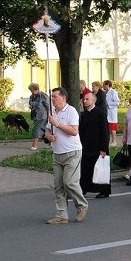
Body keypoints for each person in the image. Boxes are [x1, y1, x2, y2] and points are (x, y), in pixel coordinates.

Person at [44, 87, 88, 224]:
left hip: (72, 153)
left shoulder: (71, 111)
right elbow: (47, 130)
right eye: (52, 97)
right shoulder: (52, 113)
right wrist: (48, 136)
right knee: (58, 185)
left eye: (55, 96)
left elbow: (74, 131)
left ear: (63, 97)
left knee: (69, 182)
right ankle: (61, 214)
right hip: (57, 153)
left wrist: (56, 123)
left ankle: (82, 205)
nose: (52, 99)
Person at [79, 91, 111, 199]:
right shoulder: (83, 114)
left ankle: (104, 191)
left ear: (94, 100)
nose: (84, 100)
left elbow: (105, 132)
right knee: (85, 169)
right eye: (84, 99)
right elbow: (81, 131)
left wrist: (103, 148)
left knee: (100, 169)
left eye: (87, 99)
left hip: (98, 147)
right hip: (86, 146)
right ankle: (84, 189)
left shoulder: (100, 113)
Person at [28, 83, 50, 151]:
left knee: (36, 130)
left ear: (36, 89)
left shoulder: (42, 95)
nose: (31, 92)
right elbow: (30, 103)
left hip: (42, 116)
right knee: (44, 130)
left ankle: (35, 145)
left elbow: (48, 106)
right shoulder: (32, 96)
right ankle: (50, 142)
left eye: (32, 90)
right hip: (35, 115)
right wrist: (31, 106)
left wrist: (49, 116)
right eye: (30, 91)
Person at [103, 80, 120, 146]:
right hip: (106, 112)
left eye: (104, 85)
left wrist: (108, 104)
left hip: (112, 112)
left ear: (107, 85)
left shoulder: (113, 92)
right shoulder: (105, 92)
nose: (103, 86)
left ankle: (114, 141)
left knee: (113, 128)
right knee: (107, 127)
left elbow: (117, 102)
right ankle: (108, 141)